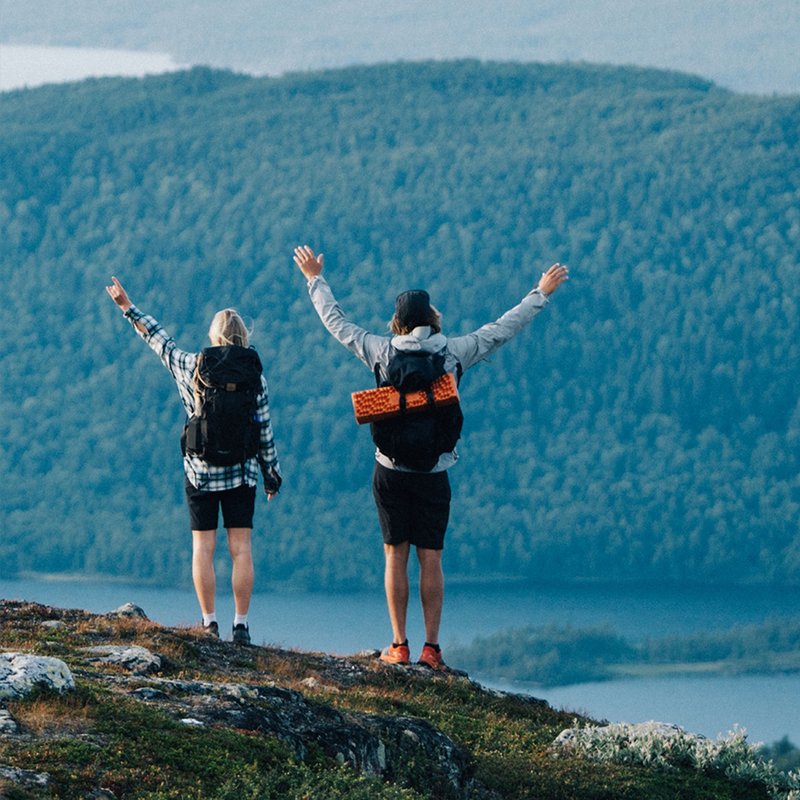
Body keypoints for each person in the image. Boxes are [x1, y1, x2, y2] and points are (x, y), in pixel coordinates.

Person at [292, 245, 568, 669]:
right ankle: (432, 649)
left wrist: (315, 279)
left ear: (398, 323)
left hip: (389, 470)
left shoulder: (380, 351)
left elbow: (337, 323)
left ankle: (398, 645)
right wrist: (541, 293)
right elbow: (502, 329)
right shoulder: (454, 352)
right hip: (435, 471)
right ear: (433, 319)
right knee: (431, 558)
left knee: (394, 555)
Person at [105, 277, 282, 645]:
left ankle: (209, 623)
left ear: (214, 336)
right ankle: (242, 626)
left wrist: (128, 307)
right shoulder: (255, 377)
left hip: (200, 473)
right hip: (242, 473)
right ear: (244, 336)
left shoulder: (192, 366)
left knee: (203, 548)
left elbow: (160, 341)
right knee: (241, 549)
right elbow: (264, 430)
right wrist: (271, 475)